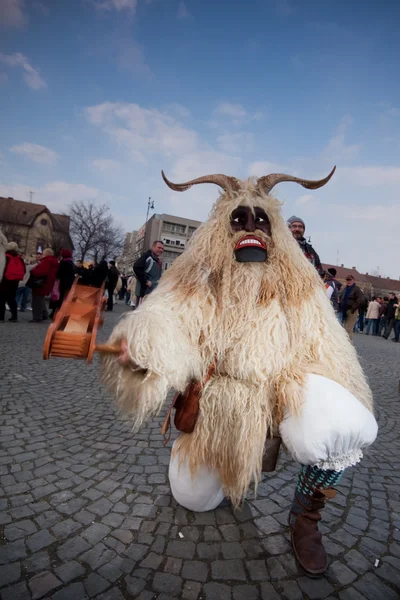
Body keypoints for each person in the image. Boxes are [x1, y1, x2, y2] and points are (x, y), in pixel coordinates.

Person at [102, 166, 377, 578]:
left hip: (278, 389)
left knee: (343, 425)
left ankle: (305, 516)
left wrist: (324, 391)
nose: (251, 227)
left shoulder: (296, 282)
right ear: (221, 229)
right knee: (192, 497)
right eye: (239, 219)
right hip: (216, 405)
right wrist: (142, 347)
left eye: (261, 219)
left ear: (277, 229)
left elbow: (328, 344)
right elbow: (166, 318)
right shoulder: (198, 276)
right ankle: (209, 458)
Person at [29, 248, 59, 322]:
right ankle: (44, 314)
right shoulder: (53, 261)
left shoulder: (47, 261)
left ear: (47, 254)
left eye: (43, 253)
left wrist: (33, 270)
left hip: (41, 283)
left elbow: (42, 271)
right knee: (40, 299)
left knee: (37, 300)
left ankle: (37, 317)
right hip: (46, 283)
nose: (42, 254)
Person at [0, 242, 26, 322]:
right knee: (11, 298)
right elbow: (24, 270)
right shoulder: (19, 258)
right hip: (15, 281)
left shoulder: (5, 257)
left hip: (4, 280)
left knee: (1, 299)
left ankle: (1, 317)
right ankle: (14, 316)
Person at [50, 249, 75, 318]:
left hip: (62, 283)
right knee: (63, 298)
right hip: (68, 284)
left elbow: (59, 273)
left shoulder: (64, 262)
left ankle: (55, 313)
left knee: (58, 298)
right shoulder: (71, 263)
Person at [338, 275, 365, 341]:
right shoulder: (345, 289)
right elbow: (341, 297)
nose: (348, 281)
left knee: (348, 329)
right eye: (347, 280)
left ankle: (349, 346)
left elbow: (361, 299)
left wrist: (353, 308)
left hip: (352, 311)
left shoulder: (356, 289)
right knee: (344, 329)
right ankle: (345, 344)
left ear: (353, 280)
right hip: (344, 310)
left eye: (350, 280)